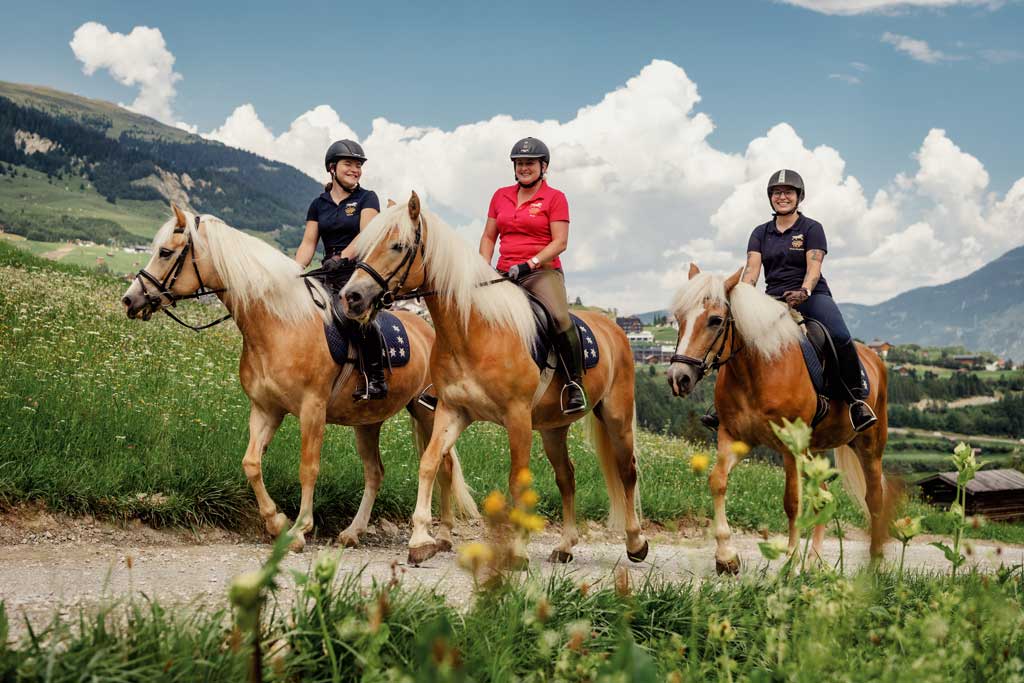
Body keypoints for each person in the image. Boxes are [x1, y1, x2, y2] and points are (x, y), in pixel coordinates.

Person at [722, 169, 877, 432]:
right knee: (738, 336)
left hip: (811, 295)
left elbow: (813, 268)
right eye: (777, 192)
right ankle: (723, 405)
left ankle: (856, 400)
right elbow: (751, 271)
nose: (782, 197)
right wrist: (745, 298)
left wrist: (804, 291)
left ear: (799, 196)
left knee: (839, 335)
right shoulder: (760, 232)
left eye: (788, 192)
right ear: (770, 197)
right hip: (774, 298)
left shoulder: (811, 228)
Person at [478, 137, 586, 414]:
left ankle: (574, 383)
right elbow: (489, 236)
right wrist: (482, 266)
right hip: (504, 271)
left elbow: (560, 242)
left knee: (560, 318)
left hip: (542, 272)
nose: (524, 168)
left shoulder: (555, 198)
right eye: (520, 163)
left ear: (543, 166)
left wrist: (530, 264)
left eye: (530, 163)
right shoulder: (499, 195)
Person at [296, 139, 386, 400]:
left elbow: (367, 234)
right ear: (332, 168)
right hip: (326, 273)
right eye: (349, 164)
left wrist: (343, 257)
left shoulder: (367, 198)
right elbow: (308, 244)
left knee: (356, 315)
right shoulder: (318, 204)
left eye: (359, 165)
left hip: (358, 274)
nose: (355, 169)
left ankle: (376, 378)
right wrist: (293, 270)